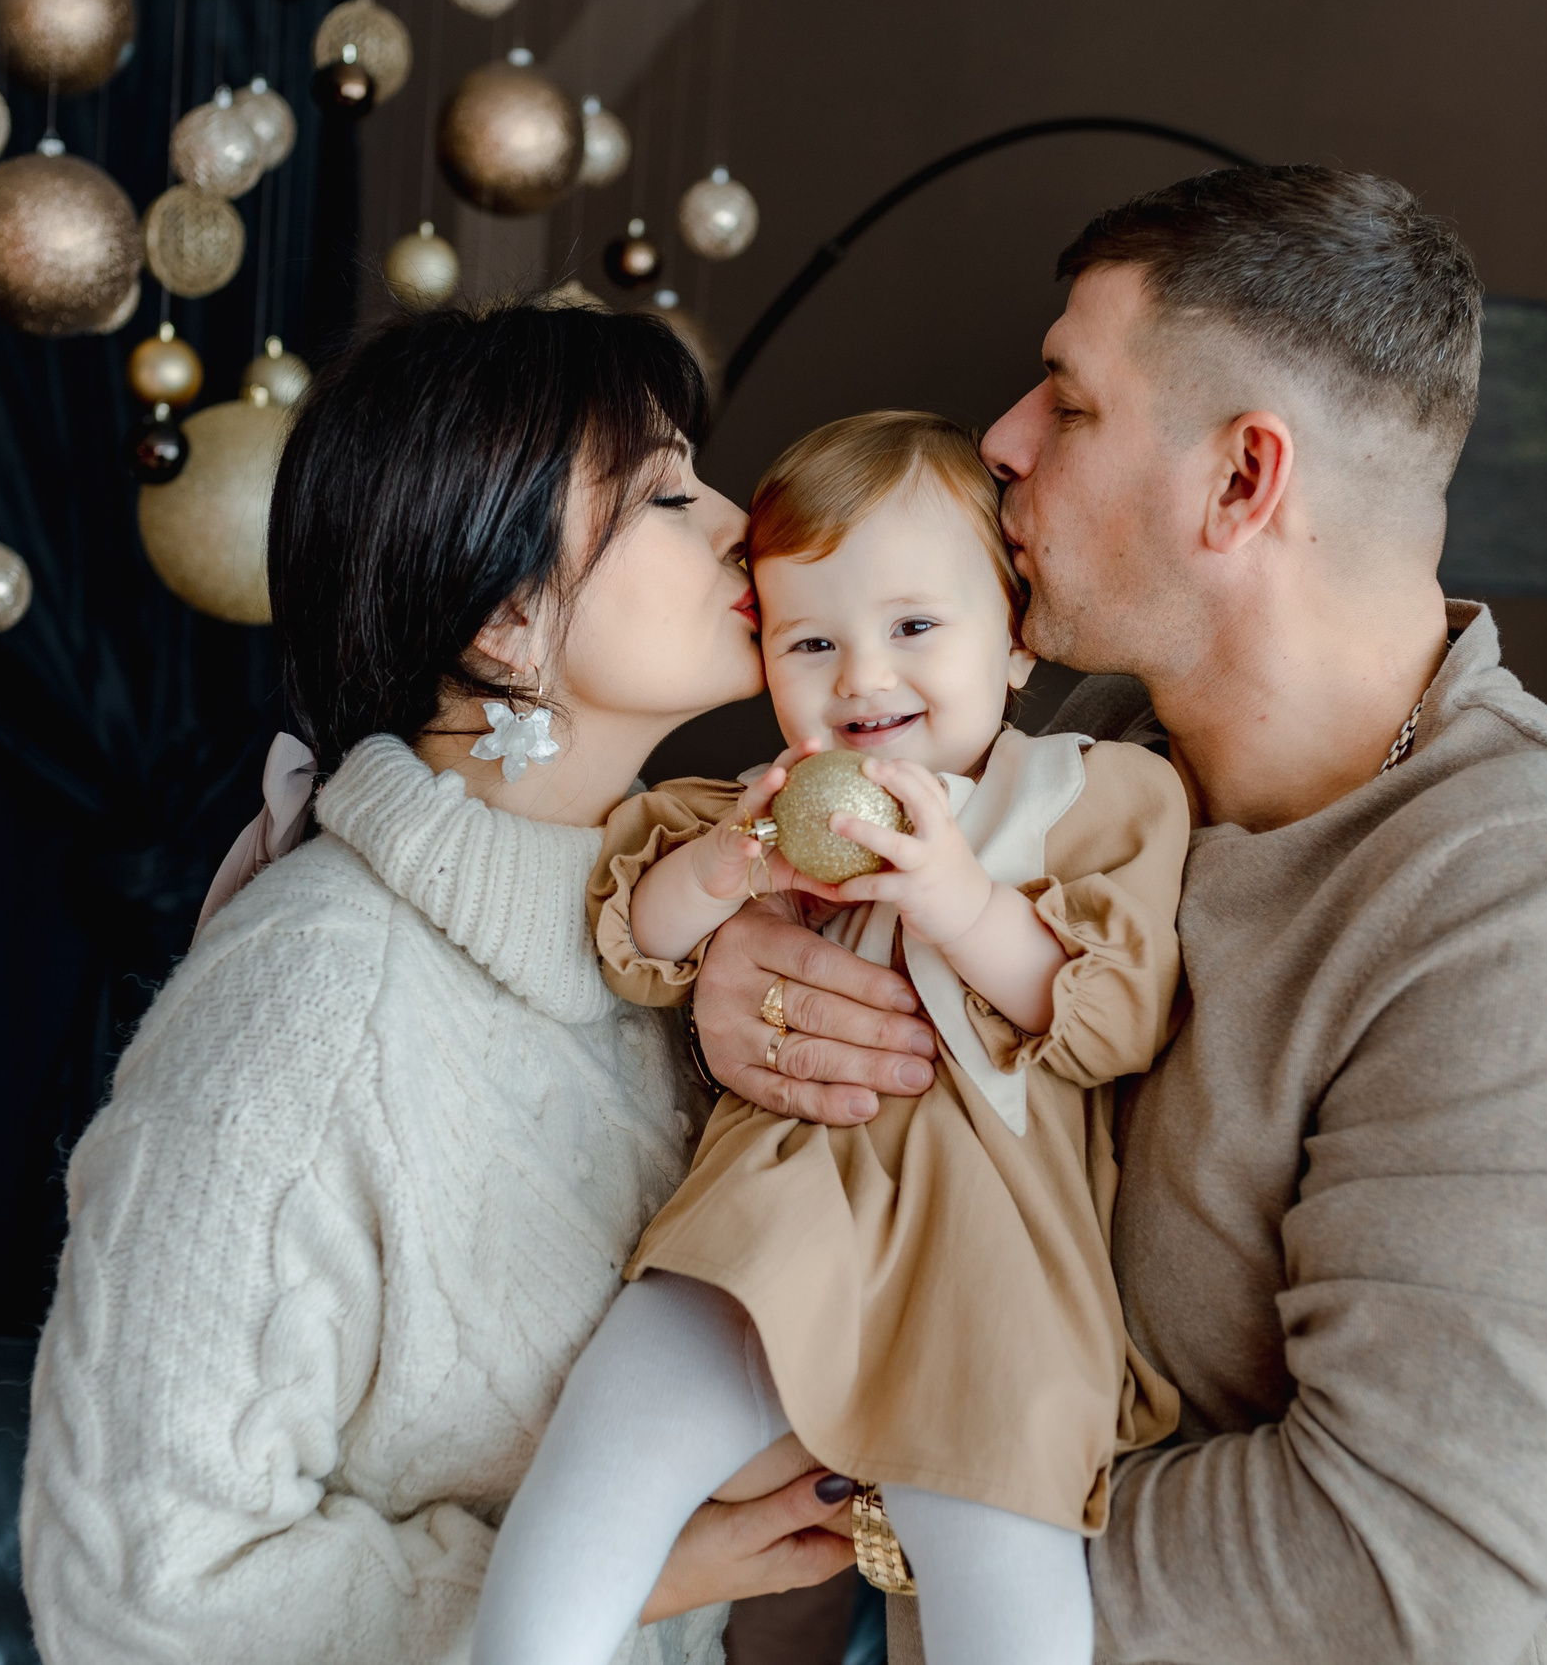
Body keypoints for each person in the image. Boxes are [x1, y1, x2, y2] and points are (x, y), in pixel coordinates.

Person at [689, 166, 1547, 1662]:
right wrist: (740, 977)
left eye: (1068, 399)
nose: (998, 441)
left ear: (1244, 480)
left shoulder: (1538, 915)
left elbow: (1391, 1568)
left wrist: (888, 1521)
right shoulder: (1082, 753)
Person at [17, 304, 857, 1665]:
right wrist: (616, 1568)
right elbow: (140, 1591)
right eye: (661, 493)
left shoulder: (696, 953)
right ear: (505, 621)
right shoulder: (305, 1006)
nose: (737, 519)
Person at [470, 411, 1186, 1665]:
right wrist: (727, 866)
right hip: (775, 1229)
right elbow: (631, 931)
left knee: (1010, 1586)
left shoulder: (1091, 796)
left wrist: (957, 899)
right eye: (812, 641)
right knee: (602, 1461)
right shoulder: (763, 806)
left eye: (914, 628)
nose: (862, 678)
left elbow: (1113, 1016)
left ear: (1014, 643)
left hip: (990, 1265)